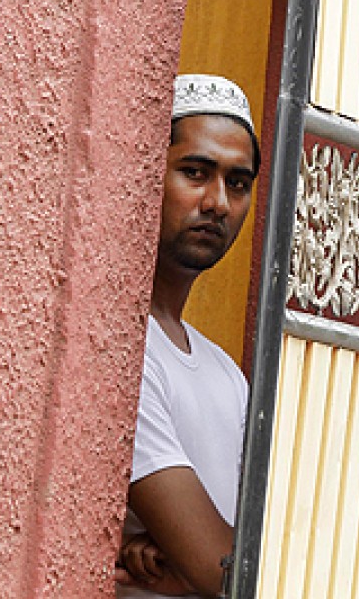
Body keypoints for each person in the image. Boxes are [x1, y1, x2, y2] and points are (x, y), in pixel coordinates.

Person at [115, 74, 261, 598]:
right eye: (195, 173)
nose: (218, 202)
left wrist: (180, 570)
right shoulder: (126, 348)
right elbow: (224, 573)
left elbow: (256, 559)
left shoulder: (228, 376)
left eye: (237, 183)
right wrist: (197, 570)